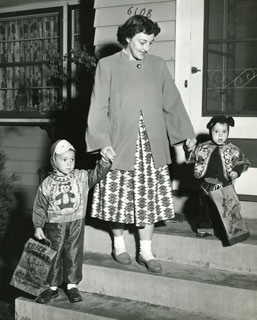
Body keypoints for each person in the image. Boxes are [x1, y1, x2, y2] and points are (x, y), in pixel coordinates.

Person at [85, 15, 196, 273]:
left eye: (151, 43)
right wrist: (102, 142)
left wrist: (185, 134)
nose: (147, 48)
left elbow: (172, 103)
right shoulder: (107, 65)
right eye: (142, 42)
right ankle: (118, 244)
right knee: (119, 198)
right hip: (119, 143)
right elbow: (98, 106)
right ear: (127, 38)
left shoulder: (157, 65)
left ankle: (146, 251)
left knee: (150, 198)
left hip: (151, 145)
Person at [32, 139, 113, 304]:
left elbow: (96, 174)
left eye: (72, 159)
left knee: (73, 253)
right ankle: (52, 287)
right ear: (54, 160)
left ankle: (71, 285)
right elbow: (40, 205)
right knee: (53, 254)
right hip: (54, 224)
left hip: (76, 222)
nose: (69, 164)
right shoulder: (47, 183)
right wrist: (38, 225)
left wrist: (104, 161)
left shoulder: (81, 177)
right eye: (64, 160)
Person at [185, 115, 250, 237]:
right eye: (216, 131)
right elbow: (191, 157)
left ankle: (226, 229)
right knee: (205, 208)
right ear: (210, 131)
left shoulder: (232, 150)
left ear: (228, 132)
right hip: (206, 185)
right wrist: (189, 147)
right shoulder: (202, 147)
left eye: (224, 131)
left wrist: (236, 171)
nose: (220, 135)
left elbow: (241, 162)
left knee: (225, 209)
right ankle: (204, 227)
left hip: (223, 185)